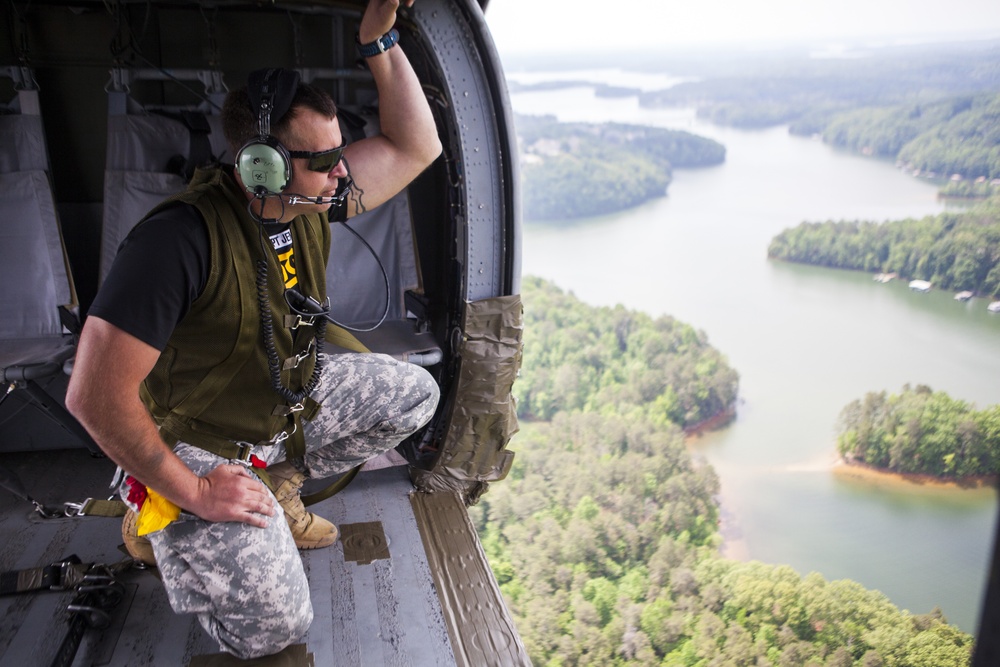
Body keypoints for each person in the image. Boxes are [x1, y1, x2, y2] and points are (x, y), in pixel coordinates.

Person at [66, 0, 442, 659]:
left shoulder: (310, 197)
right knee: (278, 627)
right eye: (321, 159)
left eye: (338, 152)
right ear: (259, 165)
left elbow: (418, 147)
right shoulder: (177, 241)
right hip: (196, 439)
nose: (339, 171)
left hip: (277, 400)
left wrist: (377, 41)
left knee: (416, 393)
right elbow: (93, 396)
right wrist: (197, 490)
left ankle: (274, 483)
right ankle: (155, 513)